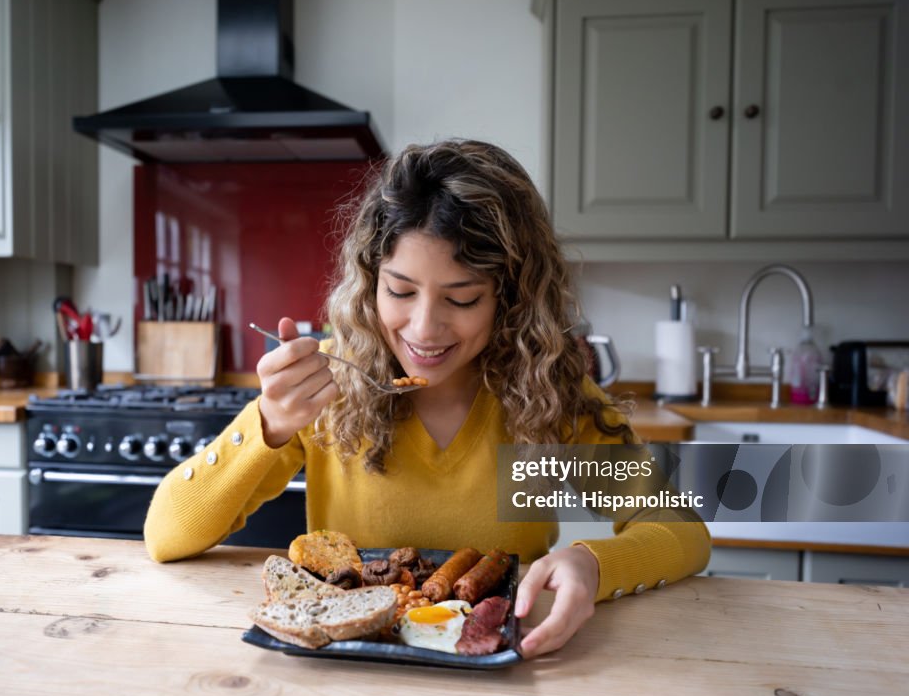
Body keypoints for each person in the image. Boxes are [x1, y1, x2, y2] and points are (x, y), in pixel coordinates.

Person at [144, 138, 711, 659]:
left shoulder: (546, 391)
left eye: (462, 299)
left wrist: (591, 564)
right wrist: (268, 424)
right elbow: (165, 535)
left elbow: (681, 530)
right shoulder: (330, 384)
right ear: (370, 282)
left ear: (508, 300)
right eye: (400, 290)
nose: (424, 328)